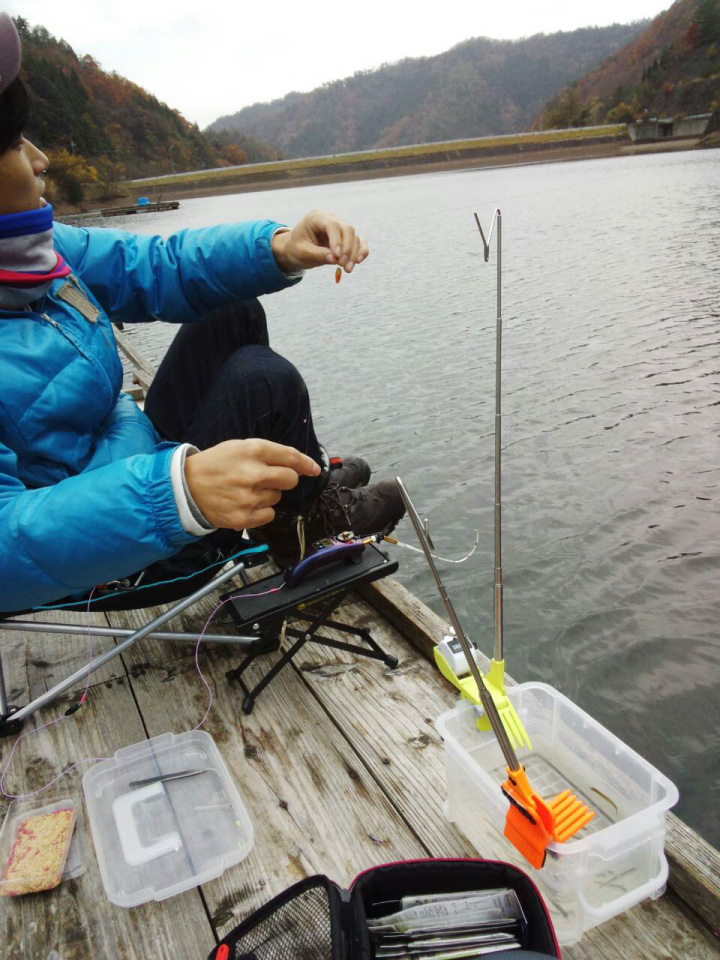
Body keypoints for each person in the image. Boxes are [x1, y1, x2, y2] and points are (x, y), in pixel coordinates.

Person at [0, 13, 404, 615]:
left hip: (128, 463)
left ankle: (303, 495)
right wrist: (179, 494)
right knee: (262, 380)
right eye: (13, 143)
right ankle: (307, 522)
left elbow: (154, 264)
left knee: (231, 310)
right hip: (109, 559)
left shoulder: (34, 254)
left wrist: (279, 247)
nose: (40, 159)